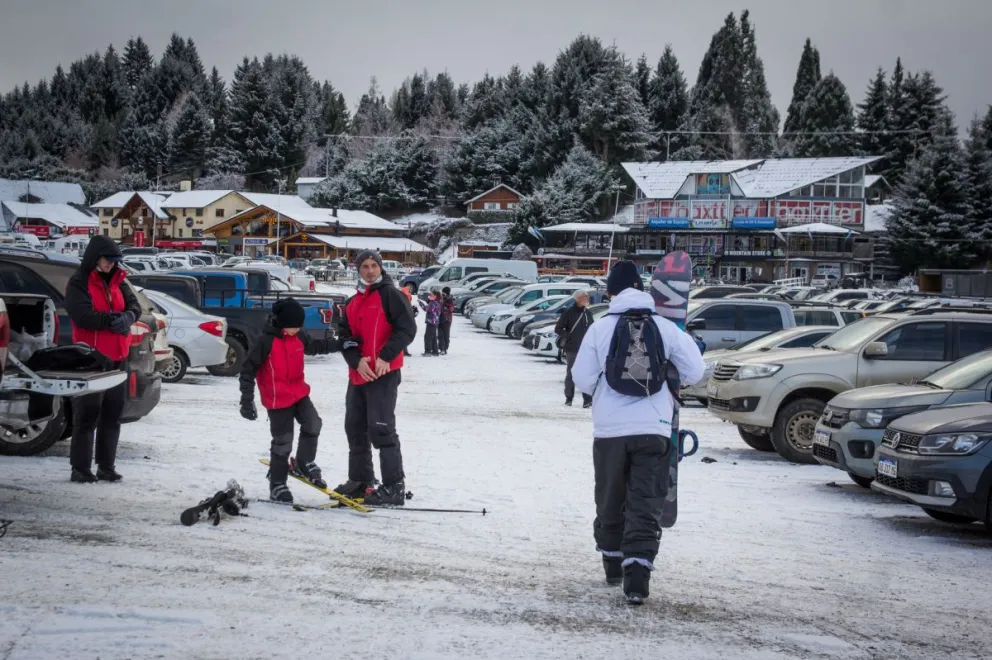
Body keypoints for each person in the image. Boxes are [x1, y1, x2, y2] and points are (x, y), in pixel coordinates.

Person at [571, 260, 705, 605]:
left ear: (611, 292)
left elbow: (581, 377)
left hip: (609, 430)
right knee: (645, 502)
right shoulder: (664, 326)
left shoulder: (600, 328)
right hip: (654, 429)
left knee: (611, 498)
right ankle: (637, 580)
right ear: (643, 290)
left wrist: (602, 389)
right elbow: (695, 370)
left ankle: (612, 565)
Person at [239, 298, 351, 503]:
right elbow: (247, 370)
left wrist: (341, 344)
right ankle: (277, 483)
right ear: (281, 323)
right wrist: (247, 399)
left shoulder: (298, 336)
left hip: (299, 393)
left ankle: (303, 462)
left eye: (298, 326)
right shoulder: (265, 342)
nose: (295, 330)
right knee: (283, 442)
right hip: (277, 399)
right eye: (292, 327)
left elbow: (316, 346)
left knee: (313, 423)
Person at [335, 250, 417, 506]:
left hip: (383, 374)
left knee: (381, 430)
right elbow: (345, 336)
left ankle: (394, 487)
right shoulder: (353, 301)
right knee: (355, 428)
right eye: (364, 266)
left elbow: (407, 329)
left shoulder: (391, 295)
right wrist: (356, 361)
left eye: (374, 266)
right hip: (359, 374)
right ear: (357, 270)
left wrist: (386, 356)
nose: (370, 271)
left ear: (381, 268)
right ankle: (361, 479)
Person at [64, 236, 142, 483]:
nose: (112, 265)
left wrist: (128, 317)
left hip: (118, 358)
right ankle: (80, 468)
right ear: (95, 257)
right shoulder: (79, 282)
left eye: (115, 261)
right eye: (109, 260)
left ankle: (106, 466)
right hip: (91, 360)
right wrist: (111, 321)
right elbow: (82, 315)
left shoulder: (119, 280)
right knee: (87, 415)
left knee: (112, 415)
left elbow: (135, 306)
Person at [555, 289, 594, 408]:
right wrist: (569, 337)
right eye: (585, 296)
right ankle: (569, 397)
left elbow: (592, 329)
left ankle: (587, 399)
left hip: (586, 349)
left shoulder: (588, 313)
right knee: (572, 373)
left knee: (585, 374)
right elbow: (558, 328)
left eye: (587, 296)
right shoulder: (569, 312)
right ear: (578, 299)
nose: (587, 298)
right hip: (572, 348)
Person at [423, 289, 442, 357]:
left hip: (431, 321)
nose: (429, 296)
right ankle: (435, 351)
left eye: (431, 295)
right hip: (435, 321)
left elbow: (426, 309)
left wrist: (421, 304)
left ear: (435, 296)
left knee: (428, 336)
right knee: (433, 336)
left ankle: (428, 351)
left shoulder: (433, 303)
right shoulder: (438, 302)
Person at [439, 286, 455, 355]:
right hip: (439, 318)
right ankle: (441, 348)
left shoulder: (450, 300)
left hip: (447, 319)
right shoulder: (440, 298)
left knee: (446, 335)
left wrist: (445, 305)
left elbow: (451, 309)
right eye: (442, 293)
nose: (443, 294)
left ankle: (445, 348)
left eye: (444, 293)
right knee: (440, 334)